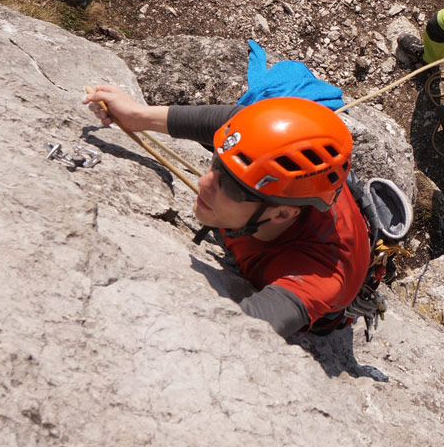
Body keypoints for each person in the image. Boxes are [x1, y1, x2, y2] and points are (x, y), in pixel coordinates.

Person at [84, 87, 372, 338]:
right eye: (215, 163)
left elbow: (235, 334)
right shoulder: (274, 194)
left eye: (232, 187)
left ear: (282, 214)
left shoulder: (319, 275)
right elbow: (231, 120)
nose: (203, 181)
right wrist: (139, 116)